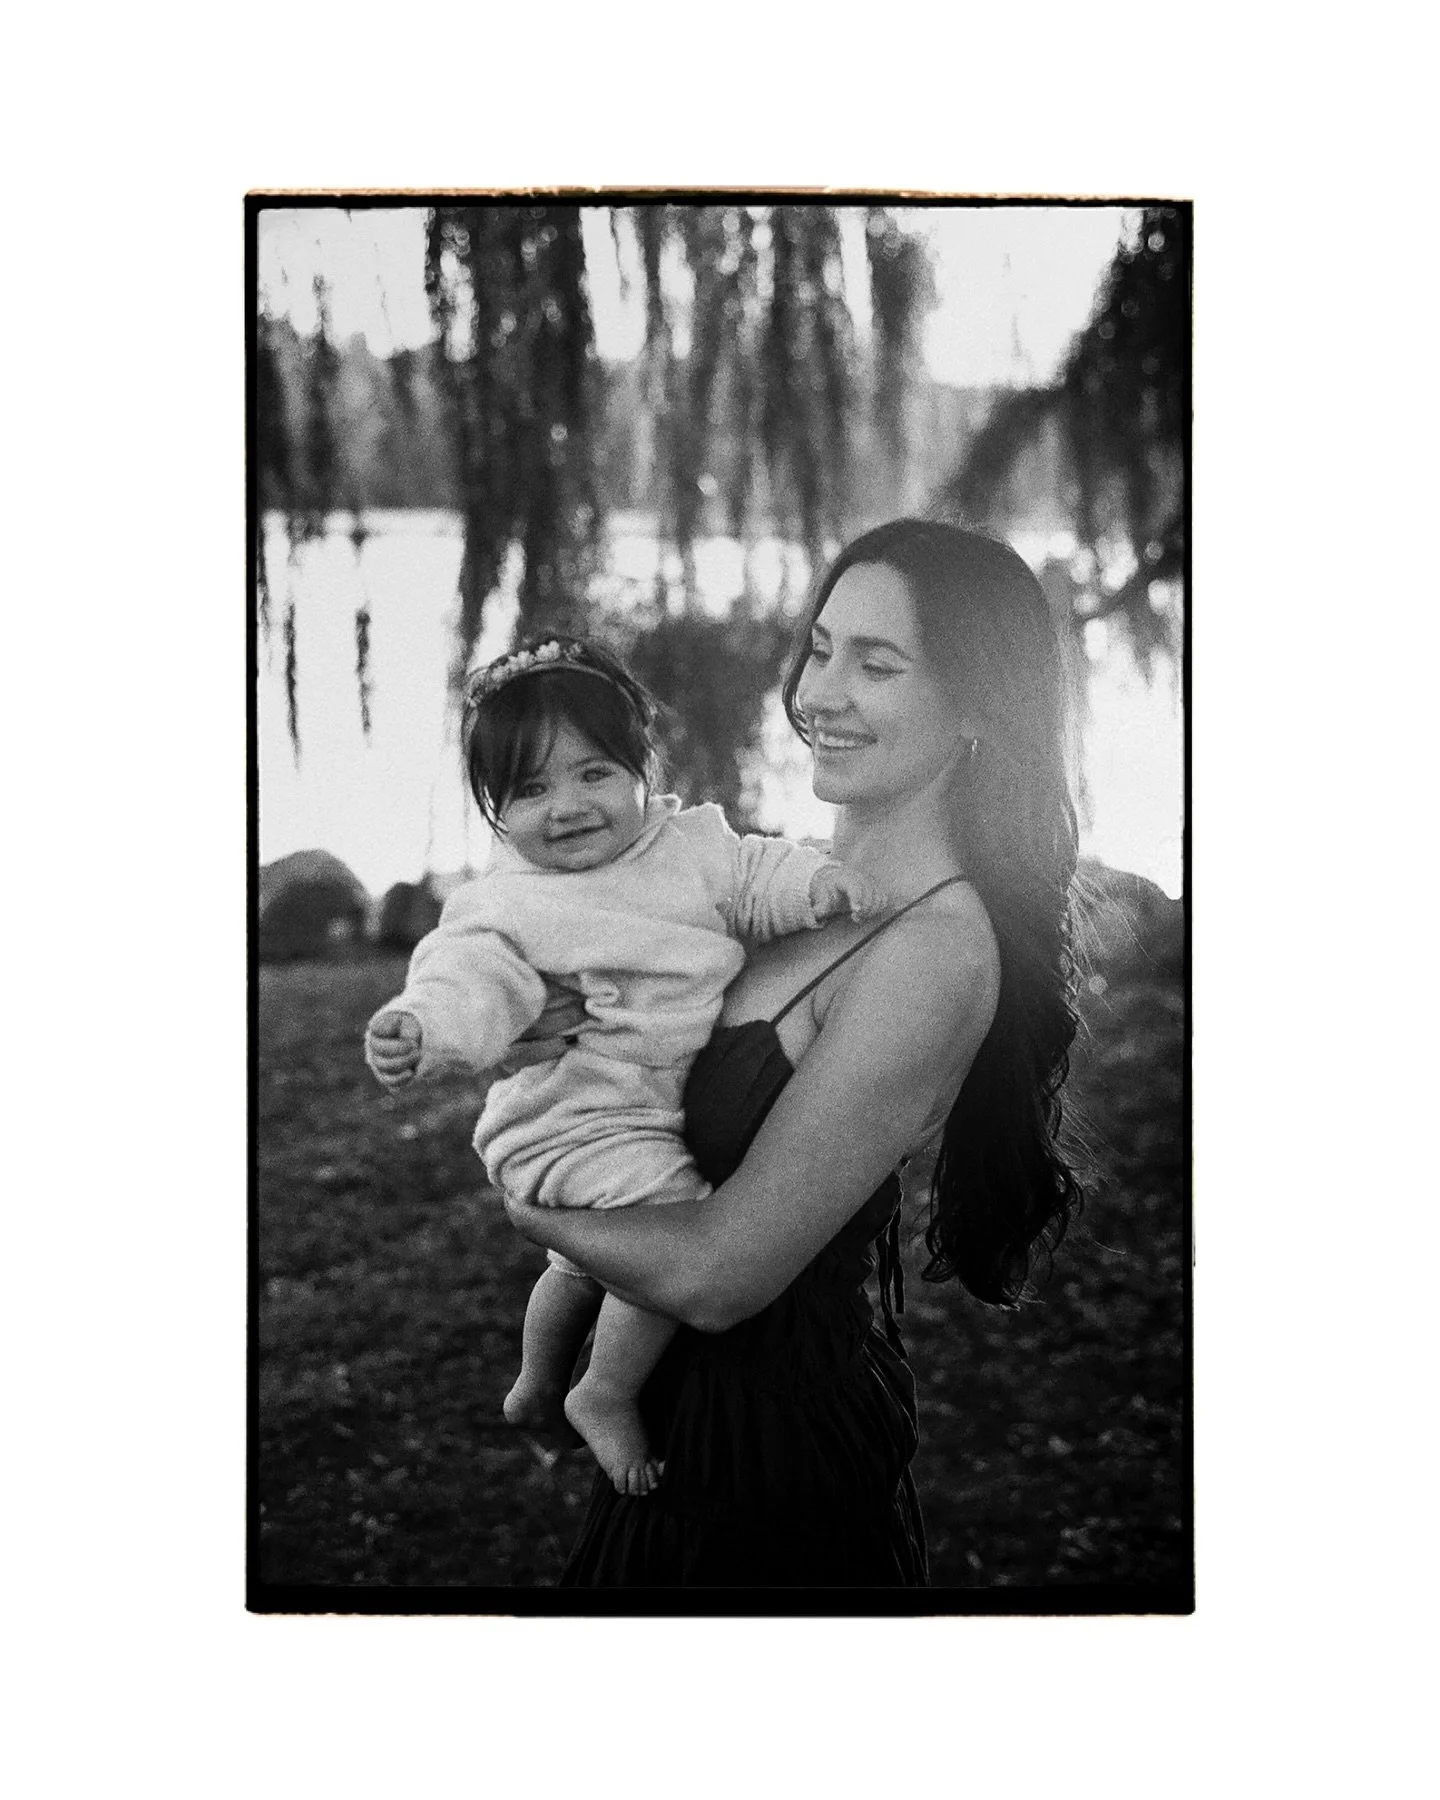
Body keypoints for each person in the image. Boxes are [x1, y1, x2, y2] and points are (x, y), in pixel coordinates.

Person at [503, 519, 1086, 1588]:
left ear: (975, 710)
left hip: (769, 1474)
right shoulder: (792, 891)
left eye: (877, 663)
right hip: (673, 1430)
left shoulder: (935, 955)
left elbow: (724, 1274)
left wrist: (531, 1206)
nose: (820, 691)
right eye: (820, 647)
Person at [363, 637, 883, 1496]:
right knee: (669, 1219)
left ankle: (535, 1386)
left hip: (643, 1101)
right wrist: (426, 1028)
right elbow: (470, 976)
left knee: (578, 1266)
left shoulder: (691, 848)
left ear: (643, 768)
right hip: (569, 1114)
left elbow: (757, 874)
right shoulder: (509, 900)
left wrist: (816, 887)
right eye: (529, 789)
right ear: (495, 812)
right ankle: (603, 1392)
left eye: (592, 773)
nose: (565, 806)